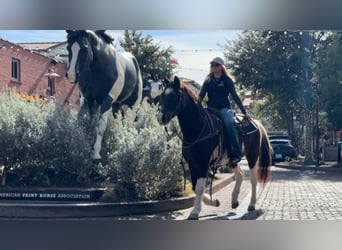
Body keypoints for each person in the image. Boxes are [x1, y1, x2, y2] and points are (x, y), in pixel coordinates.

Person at [198, 56, 248, 165]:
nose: (214, 67)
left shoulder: (227, 80)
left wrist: (245, 112)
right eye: (212, 65)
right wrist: (196, 106)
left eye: (216, 65)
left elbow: (235, 96)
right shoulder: (208, 80)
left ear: (221, 67)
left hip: (224, 109)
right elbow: (201, 95)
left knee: (229, 123)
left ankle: (236, 152)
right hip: (210, 109)